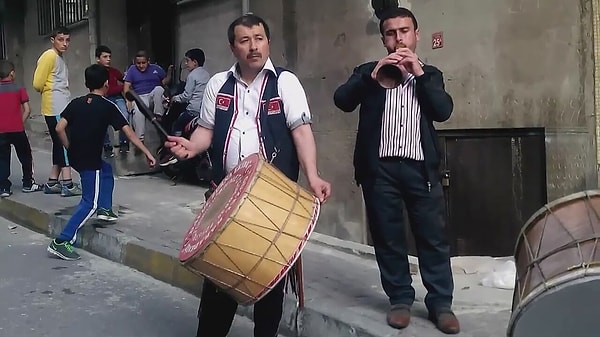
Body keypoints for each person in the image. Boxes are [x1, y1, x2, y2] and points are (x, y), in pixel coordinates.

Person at [166, 13, 331, 337]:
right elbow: (206, 132)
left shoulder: (285, 82)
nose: (253, 46)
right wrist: (191, 147)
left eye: (259, 38)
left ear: (268, 42)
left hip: (273, 199)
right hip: (226, 198)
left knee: (268, 287)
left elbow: (301, 131)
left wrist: (313, 176)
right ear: (233, 47)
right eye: (245, 40)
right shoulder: (218, 84)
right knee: (219, 282)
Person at [333, 7, 460, 335]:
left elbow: (443, 111)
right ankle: (400, 300)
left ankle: (440, 304)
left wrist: (418, 73)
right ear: (383, 39)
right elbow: (342, 101)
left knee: (432, 237)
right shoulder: (368, 72)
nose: (398, 38)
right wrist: (370, 76)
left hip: (420, 170)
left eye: (404, 31)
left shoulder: (430, 74)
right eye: (391, 33)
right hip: (381, 170)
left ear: (416, 35)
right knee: (388, 237)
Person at [46, 64, 156, 261]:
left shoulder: (76, 103)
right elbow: (129, 133)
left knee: (107, 171)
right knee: (89, 202)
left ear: (87, 83)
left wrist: (69, 147)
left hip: (76, 156)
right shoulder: (108, 106)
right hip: (90, 160)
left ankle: (105, 210)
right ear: (106, 84)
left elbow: (59, 128)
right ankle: (62, 241)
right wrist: (148, 152)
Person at [32, 25, 82, 197]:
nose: (65, 43)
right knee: (64, 141)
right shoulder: (49, 56)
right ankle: (67, 183)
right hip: (55, 106)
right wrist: (50, 91)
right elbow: (37, 83)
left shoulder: (58, 57)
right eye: (61, 40)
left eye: (67, 40)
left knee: (57, 143)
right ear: (53, 40)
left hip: (59, 104)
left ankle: (53, 181)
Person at [159, 48, 210, 167]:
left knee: (177, 125)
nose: (186, 64)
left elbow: (186, 96)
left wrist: (174, 98)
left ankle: (173, 152)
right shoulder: (206, 74)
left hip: (193, 110)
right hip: (203, 111)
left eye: (188, 61)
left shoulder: (192, 76)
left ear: (195, 62)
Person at [0, 60, 44, 197]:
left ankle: (4, 188)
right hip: (17, 130)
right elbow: (27, 110)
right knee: (25, 156)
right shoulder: (19, 88)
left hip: (1, 131)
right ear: (12, 73)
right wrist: (20, 122)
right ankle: (27, 183)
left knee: (2, 158)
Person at [123, 50, 171, 143]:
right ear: (135, 62)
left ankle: (158, 115)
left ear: (148, 61)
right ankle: (139, 140)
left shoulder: (156, 68)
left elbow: (164, 82)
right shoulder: (132, 70)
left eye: (143, 63)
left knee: (159, 89)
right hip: (140, 97)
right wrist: (128, 100)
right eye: (138, 63)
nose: (141, 65)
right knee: (137, 111)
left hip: (153, 96)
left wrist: (169, 73)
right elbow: (126, 85)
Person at [95, 45, 129, 156]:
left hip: (117, 98)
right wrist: (121, 88)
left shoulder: (114, 71)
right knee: (101, 120)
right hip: (103, 99)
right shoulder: (95, 72)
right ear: (98, 59)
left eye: (109, 56)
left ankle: (124, 142)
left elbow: (126, 82)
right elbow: (106, 90)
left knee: (125, 115)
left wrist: (127, 96)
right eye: (105, 57)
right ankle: (107, 146)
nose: (108, 59)